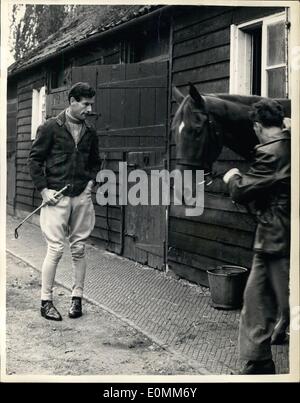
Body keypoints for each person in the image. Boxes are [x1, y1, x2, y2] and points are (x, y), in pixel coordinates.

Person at [223, 99, 290, 375]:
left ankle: (261, 363)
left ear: (257, 127)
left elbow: (244, 190)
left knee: (278, 302)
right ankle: (260, 363)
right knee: (255, 300)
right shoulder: (289, 144)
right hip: (273, 238)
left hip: (278, 239)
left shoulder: (273, 152)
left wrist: (232, 178)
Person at [28, 82, 101, 321]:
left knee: (79, 249)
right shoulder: (50, 127)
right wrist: (43, 190)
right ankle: (45, 301)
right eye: (85, 104)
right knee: (56, 249)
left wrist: (90, 184)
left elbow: (95, 162)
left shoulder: (91, 132)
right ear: (72, 101)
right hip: (55, 197)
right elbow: (35, 160)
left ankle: (76, 298)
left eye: (91, 104)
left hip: (81, 196)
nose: (89, 109)